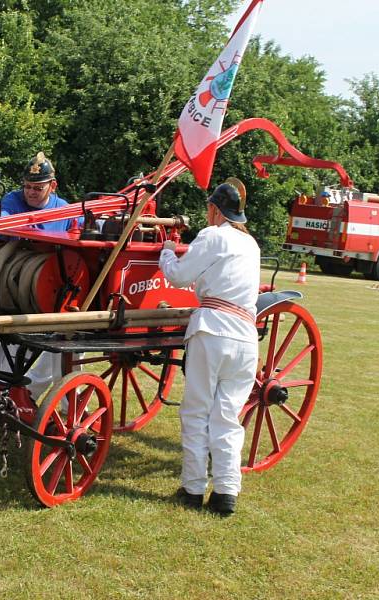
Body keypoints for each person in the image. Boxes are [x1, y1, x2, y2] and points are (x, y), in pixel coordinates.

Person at [159, 178, 260, 515]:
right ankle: (226, 493)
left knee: (197, 411)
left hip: (213, 331)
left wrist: (167, 252)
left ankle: (192, 489)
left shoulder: (212, 235)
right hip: (245, 335)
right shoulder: (252, 245)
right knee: (228, 416)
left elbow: (179, 277)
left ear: (215, 210)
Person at [0, 152, 75, 413]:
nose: (30, 193)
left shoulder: (65, 208)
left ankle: (2, 400)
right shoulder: (12, 199)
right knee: (3, 253)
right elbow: (7, 224)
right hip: (14, 276)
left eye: (37, 188)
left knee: (21, 348)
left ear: (52, 186)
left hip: (50, 283)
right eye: (28, 187)